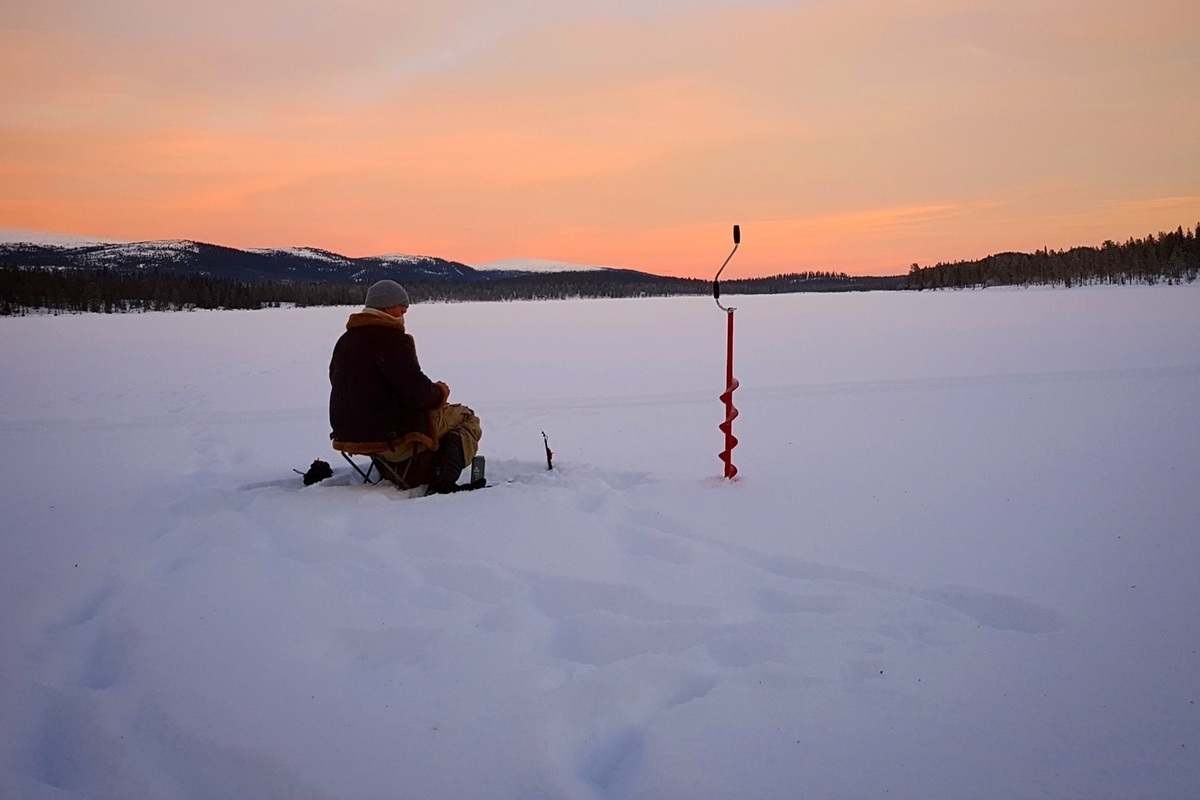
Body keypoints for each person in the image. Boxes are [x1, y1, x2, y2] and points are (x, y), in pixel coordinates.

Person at [329, 280, 482, 493]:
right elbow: (418, 393)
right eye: (401, 308)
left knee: (444, 417)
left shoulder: (345, 341)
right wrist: (440, 392)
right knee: (466, 417)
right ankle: (443, 482)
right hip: (390, 437)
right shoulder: (390, 339)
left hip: (352, 436)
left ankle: (407, 469)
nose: (404, 313)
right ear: (386, 306)